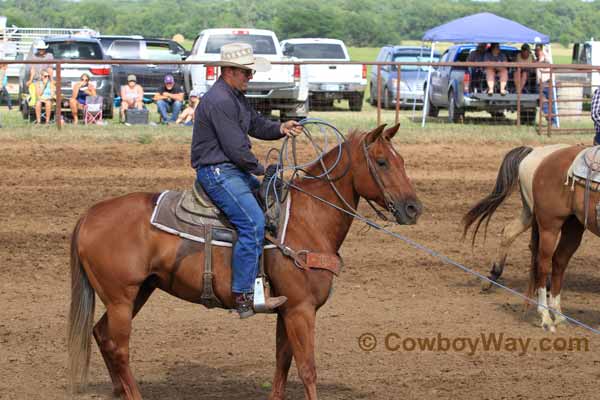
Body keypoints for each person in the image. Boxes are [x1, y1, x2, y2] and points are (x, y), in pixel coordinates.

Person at [192, 42, 303, 319]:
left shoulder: (234, 97)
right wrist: (261, 170)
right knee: (253, 222)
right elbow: (236, 149)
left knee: (274, 204)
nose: (250, 77)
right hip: (217, 172)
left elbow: (255, 124)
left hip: (230, 169)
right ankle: (243, 294)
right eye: (246, 73)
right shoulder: (219, 100)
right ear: (229, 71)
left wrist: (280, 127)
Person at [535, 44, 558, 127]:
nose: (536, 52)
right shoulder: (536, 59)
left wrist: (543, 54)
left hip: (548, 83)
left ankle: (554, 121)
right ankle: (551, 120)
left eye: (538, 50)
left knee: (551, 103)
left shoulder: (546, 56)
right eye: (536, 50)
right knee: (544, 104)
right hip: (541, 84)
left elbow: (548, 62)